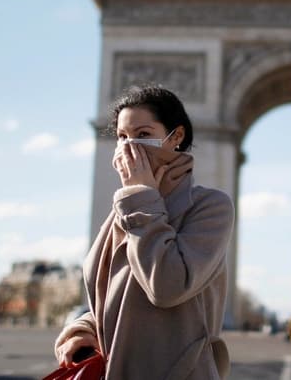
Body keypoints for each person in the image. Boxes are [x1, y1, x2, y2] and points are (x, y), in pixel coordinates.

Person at [53, 85, 235, 379]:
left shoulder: (210, 207)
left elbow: (166, 287)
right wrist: (83, 328)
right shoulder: (122, 212)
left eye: (143, 134)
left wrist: (140, 196)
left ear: (176, 137)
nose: (129, 147)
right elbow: (112, 298)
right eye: (122, 137)